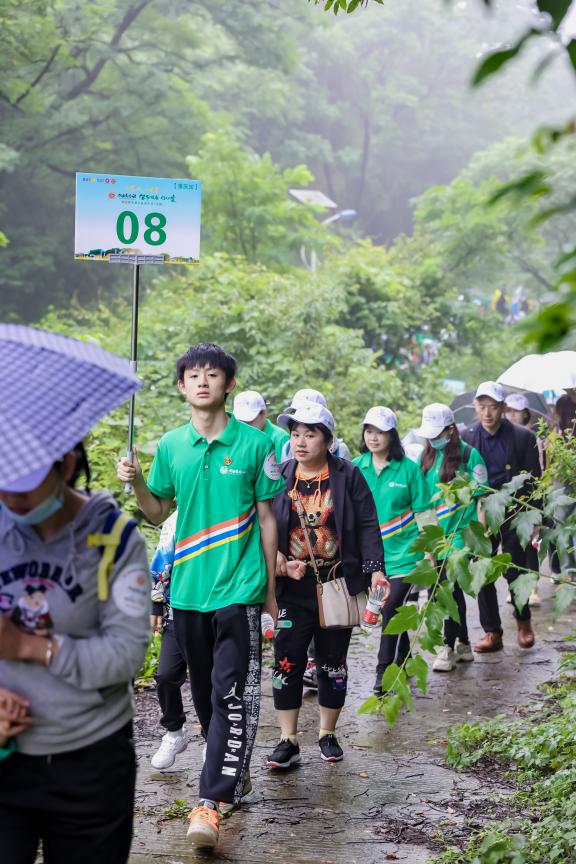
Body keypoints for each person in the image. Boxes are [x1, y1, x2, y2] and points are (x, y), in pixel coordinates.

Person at [117, 342, 284, 850]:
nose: (204, 382)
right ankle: (233, 767)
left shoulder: (256, 447)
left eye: (214, 374)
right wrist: (139, 482)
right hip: (187, 591)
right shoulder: (171, 446)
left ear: (229, 384)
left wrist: (271, 593)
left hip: (239, 587)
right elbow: (156, 511)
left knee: (231, 692)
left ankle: (209, 803)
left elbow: (270, 519)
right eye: (194, 375)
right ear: (182, 386)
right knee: (208, 698)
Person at [0, 444, 150, 864]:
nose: (10, 499)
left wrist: (30, 647)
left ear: (65, 465)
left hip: (91, 761)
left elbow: (126, 655)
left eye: (24, 487)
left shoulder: (114, 540)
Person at [266, 402, 388, 769]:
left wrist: (375, 570)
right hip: (291, 587)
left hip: (336, 584)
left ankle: (327, 733)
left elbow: (367, 523)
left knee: (332, 662)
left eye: (310, 433)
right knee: (286, 660)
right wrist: (278, 563)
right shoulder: (281, 475)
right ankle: (287, 740)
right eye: (295, 433)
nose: (300, 441)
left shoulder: (348, 475)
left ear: (328, 439)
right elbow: (265, 525)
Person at [353, 406, 435, 693]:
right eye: (369, 431)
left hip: (405, 556)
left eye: (381, 432)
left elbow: (424, 513)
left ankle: (383, 672)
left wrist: (429, 552)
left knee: (388, 608)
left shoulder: (409, 469)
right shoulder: (355, 467)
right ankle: (403, 658)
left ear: (392, 435)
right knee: (394, 613)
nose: (374, 437)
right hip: (372, 558)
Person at [462, 382, 542, 651]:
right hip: (480, 510)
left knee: (514, 567)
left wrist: (534, 518)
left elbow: (534, 481)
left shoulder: (521, 437)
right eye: (482, 407)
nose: (487, 413)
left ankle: (523, 621)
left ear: (503, 408)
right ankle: (492, 631)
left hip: (513, 507)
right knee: (481, 568)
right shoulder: (467, 437)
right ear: (475, 407)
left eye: (493, 407)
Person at [416, 404, 488, 672]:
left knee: (447, 588)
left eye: (438, 433)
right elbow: (422, 505)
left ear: (451, 429)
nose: (434, 439)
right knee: (450, 588)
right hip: (437, 534)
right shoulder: (424, 459)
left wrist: (479, 540)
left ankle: (447, 648)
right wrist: (427, 544)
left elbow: (482, 500)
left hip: (462, 533)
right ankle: (464, 643)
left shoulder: (470, 455)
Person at [148, 511, 190, 771]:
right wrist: (156, 603)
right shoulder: (176, 518)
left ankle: (213, 738)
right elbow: (162, 557)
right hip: (177, 613)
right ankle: (174, 731)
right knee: (165, 675)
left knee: (208, 678)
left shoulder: (223, 509)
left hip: (212, 611)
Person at [280, 389, 352, 462]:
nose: (300, 443)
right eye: (296, 435)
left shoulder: (340, 451)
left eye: (310, 436)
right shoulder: (287, 448)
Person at [233, 390, 289, 462]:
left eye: (249, 421)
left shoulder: (280, 438)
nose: (245, 425)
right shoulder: (236, 437)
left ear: (264, 413)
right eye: (240, 421)